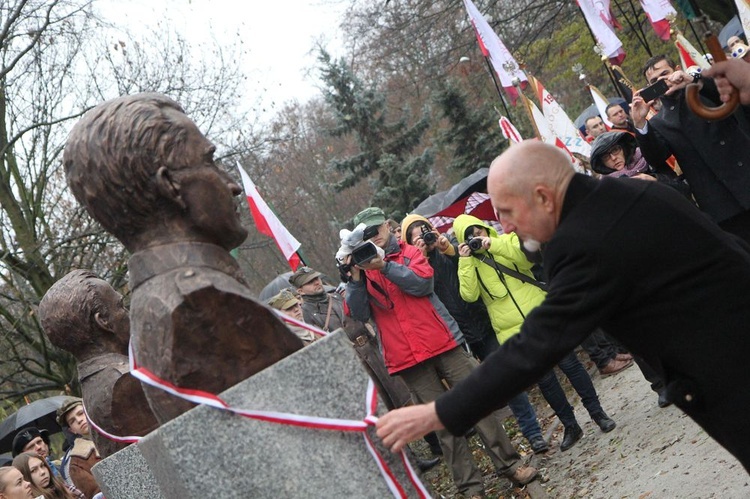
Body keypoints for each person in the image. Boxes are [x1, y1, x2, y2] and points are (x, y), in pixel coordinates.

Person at [375, 141, 750, 475]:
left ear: (543, 196)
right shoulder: (626, 194)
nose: (502, 225)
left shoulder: (585, 242)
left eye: (506, 210)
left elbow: (540, 342)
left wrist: (439, 412)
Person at [63, 93, 303, 423]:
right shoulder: (200, 302)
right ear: (170, 186)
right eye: (209, 161)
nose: (231, 184)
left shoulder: (158, 300)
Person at [345, 206, 537, 496]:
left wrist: (385, 266)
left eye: (377, 230)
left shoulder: (409, 252)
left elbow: (422, 284)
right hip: (407, 359)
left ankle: (510, 465)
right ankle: (471, 487)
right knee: (442, 424)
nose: (375, 237)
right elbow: (358, 314)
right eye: (367, 235)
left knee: (479, 402)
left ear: (387, 225)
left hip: (443, 343)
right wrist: (355, 278)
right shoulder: (362, 271)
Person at [452, 213, 616, 451]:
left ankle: (598, 412)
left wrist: (493, 244)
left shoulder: (505, 241)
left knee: (570, 365)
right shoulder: (470, 264)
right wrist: (465, 261)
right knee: (546, 380)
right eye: (471, 237)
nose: (478, 239)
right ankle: (570, 425)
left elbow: (526, 260)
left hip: (542, 316)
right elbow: (469, 295)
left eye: (479, 232)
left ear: (485, 229)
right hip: (513, 332)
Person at [401, 214, 549, 454]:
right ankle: (502, 446)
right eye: (417, 235)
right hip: (455, 336)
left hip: (483, 322)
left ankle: (533, 434)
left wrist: (447, 248)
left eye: (426, 230)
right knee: (481, 391)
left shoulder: (450, 249)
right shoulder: (414, 267)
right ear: (408, 242)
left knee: (507, 381)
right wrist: (421, 256)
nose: (425, 237)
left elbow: (473, 266)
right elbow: (420, 288)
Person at [39, 269, 159, 458]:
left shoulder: (94, 382)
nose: (128, 313)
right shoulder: (126, 381)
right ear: (103, 321)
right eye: (120, 306)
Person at [632, 54, 750, 244]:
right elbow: (656, 158)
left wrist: (694, 81)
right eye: (654, 81)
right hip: (722, 205)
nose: (662, 81)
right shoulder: (659, 122)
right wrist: (640, 124)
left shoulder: (704, 89)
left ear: (677, 69)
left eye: (665, 74)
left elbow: (731, 95)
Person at [54, 399, 100, 499]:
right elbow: (96, 495)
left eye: (81, 413)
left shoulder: (117, 433)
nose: (79, 420)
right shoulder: (77, 463)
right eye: (72, 421)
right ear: (72, 430)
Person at [289, 266, 346, 332]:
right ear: (301, 291)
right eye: (310, 282)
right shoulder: (305, 314)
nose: (317, 282)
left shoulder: (337, 296)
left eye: (317, 278)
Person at [12, 453, 80, 499]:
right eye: (33, 470)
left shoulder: (68, 490)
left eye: (42, 465)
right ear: (24, 477)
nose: (42, 472)